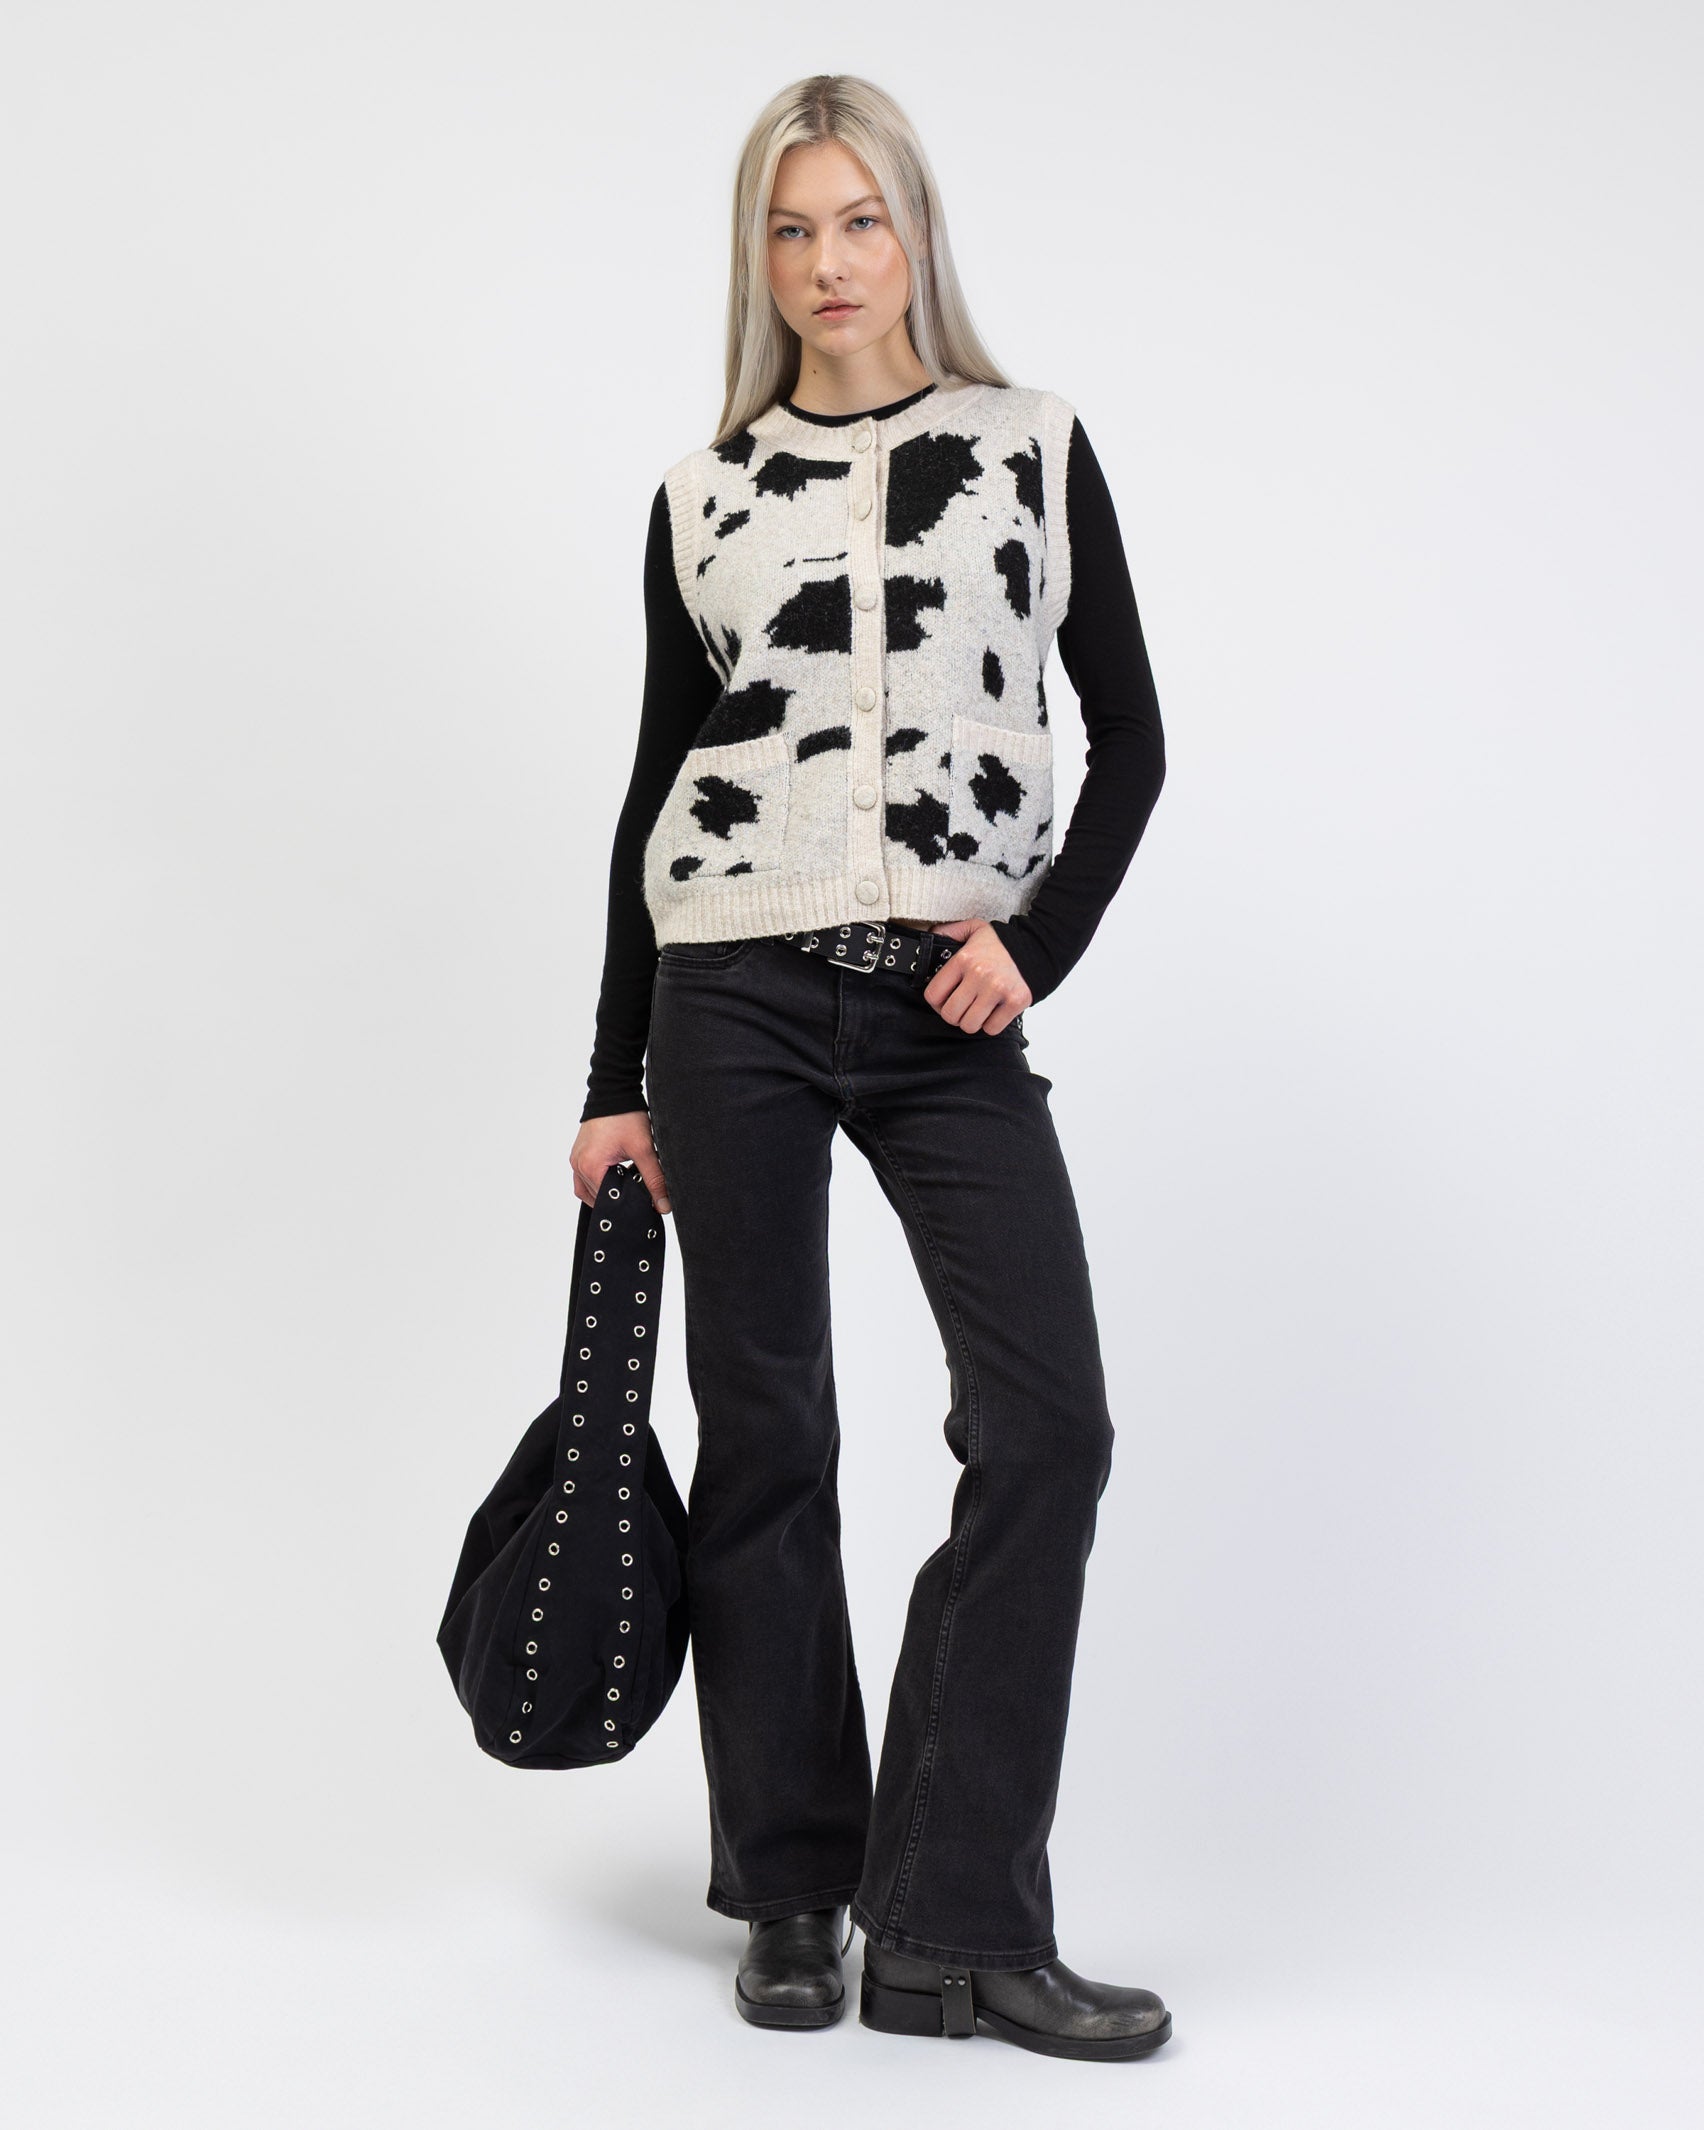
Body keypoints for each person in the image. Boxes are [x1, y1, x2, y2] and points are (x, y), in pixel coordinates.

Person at [572, 73, 1172, 2061]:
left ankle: (954, 1918)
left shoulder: (1028, 449)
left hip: (943, 1006)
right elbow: (655, 789)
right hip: (726, 995)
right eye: (790, 227)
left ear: (915, 234)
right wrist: (611, 1076)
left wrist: (1035, 947)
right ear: (758, 257)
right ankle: (793, 1889)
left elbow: (1130, 738)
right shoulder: (706, 492)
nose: (828, 263)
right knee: (770, 1439)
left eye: (859, 220)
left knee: (1047, 1426)